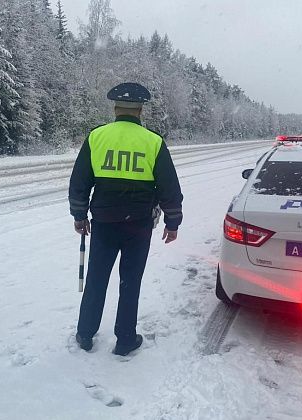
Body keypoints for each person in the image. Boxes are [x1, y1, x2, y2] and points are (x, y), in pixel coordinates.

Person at [68, 82, 183, 356]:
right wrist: (173, 221)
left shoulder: (97, 137)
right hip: (139, 225)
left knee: (96, 279)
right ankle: (125, 339)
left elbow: (80, 181)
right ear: (141, 110)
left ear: (115, 108)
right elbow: (169, 187)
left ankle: (85, 334)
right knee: (130, 282)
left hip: (104, 223)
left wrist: (79, 215)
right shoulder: (153, 142)